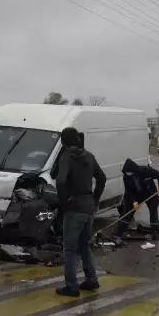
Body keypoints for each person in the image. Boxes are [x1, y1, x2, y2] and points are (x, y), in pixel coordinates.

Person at [55, 127, 106, 297]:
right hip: (88, 206)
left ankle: (71, 286)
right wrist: (96, 199)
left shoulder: (67, 157)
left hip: (74, 207)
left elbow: (60, 180)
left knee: (69, 248)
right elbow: (102, 178)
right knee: (84, 244)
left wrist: (64, 202)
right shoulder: (89, 156)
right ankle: (91, 279)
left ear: (63, 141)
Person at [114, 159, 159, 243]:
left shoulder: (146, 170)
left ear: (133, 170)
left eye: (129, 172)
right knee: (127, 213)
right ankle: (118, 234)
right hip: (136, 195)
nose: (127, 174)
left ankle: (155, 232)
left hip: (150, 193)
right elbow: (128, 190)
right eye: (126, 172)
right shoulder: (126, 177)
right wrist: (134, 201)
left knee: (153, 212)